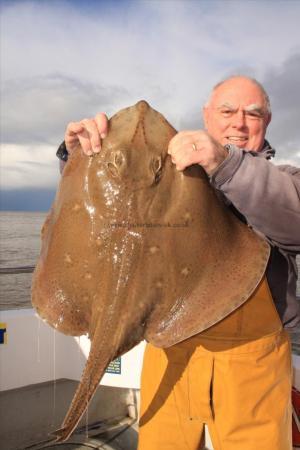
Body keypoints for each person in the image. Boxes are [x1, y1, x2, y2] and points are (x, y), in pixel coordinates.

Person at [57, 76, 300, 449]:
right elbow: (99, 218)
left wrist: (226, 164)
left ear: (267, 121)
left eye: (252, 113)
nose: (239, 122)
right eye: (227, 110)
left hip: (252, 360)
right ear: (206, 116)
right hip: (170, 347)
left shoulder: (284, 180)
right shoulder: (173, 173)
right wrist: (79, 159)